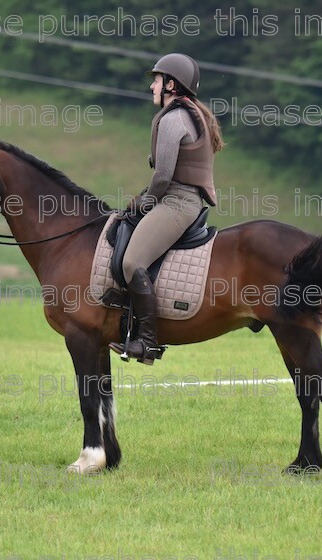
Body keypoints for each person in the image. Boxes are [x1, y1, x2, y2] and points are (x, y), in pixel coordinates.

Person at [108, 53, 225, 364]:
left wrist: (145, 202)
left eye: (156, 80)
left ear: (171, 84)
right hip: (178, 199)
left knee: (132, 262)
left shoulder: (174, 119)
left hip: (176, 202)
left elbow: (162, 176)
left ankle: (147, 342)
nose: (151, 86)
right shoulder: (191, 114)